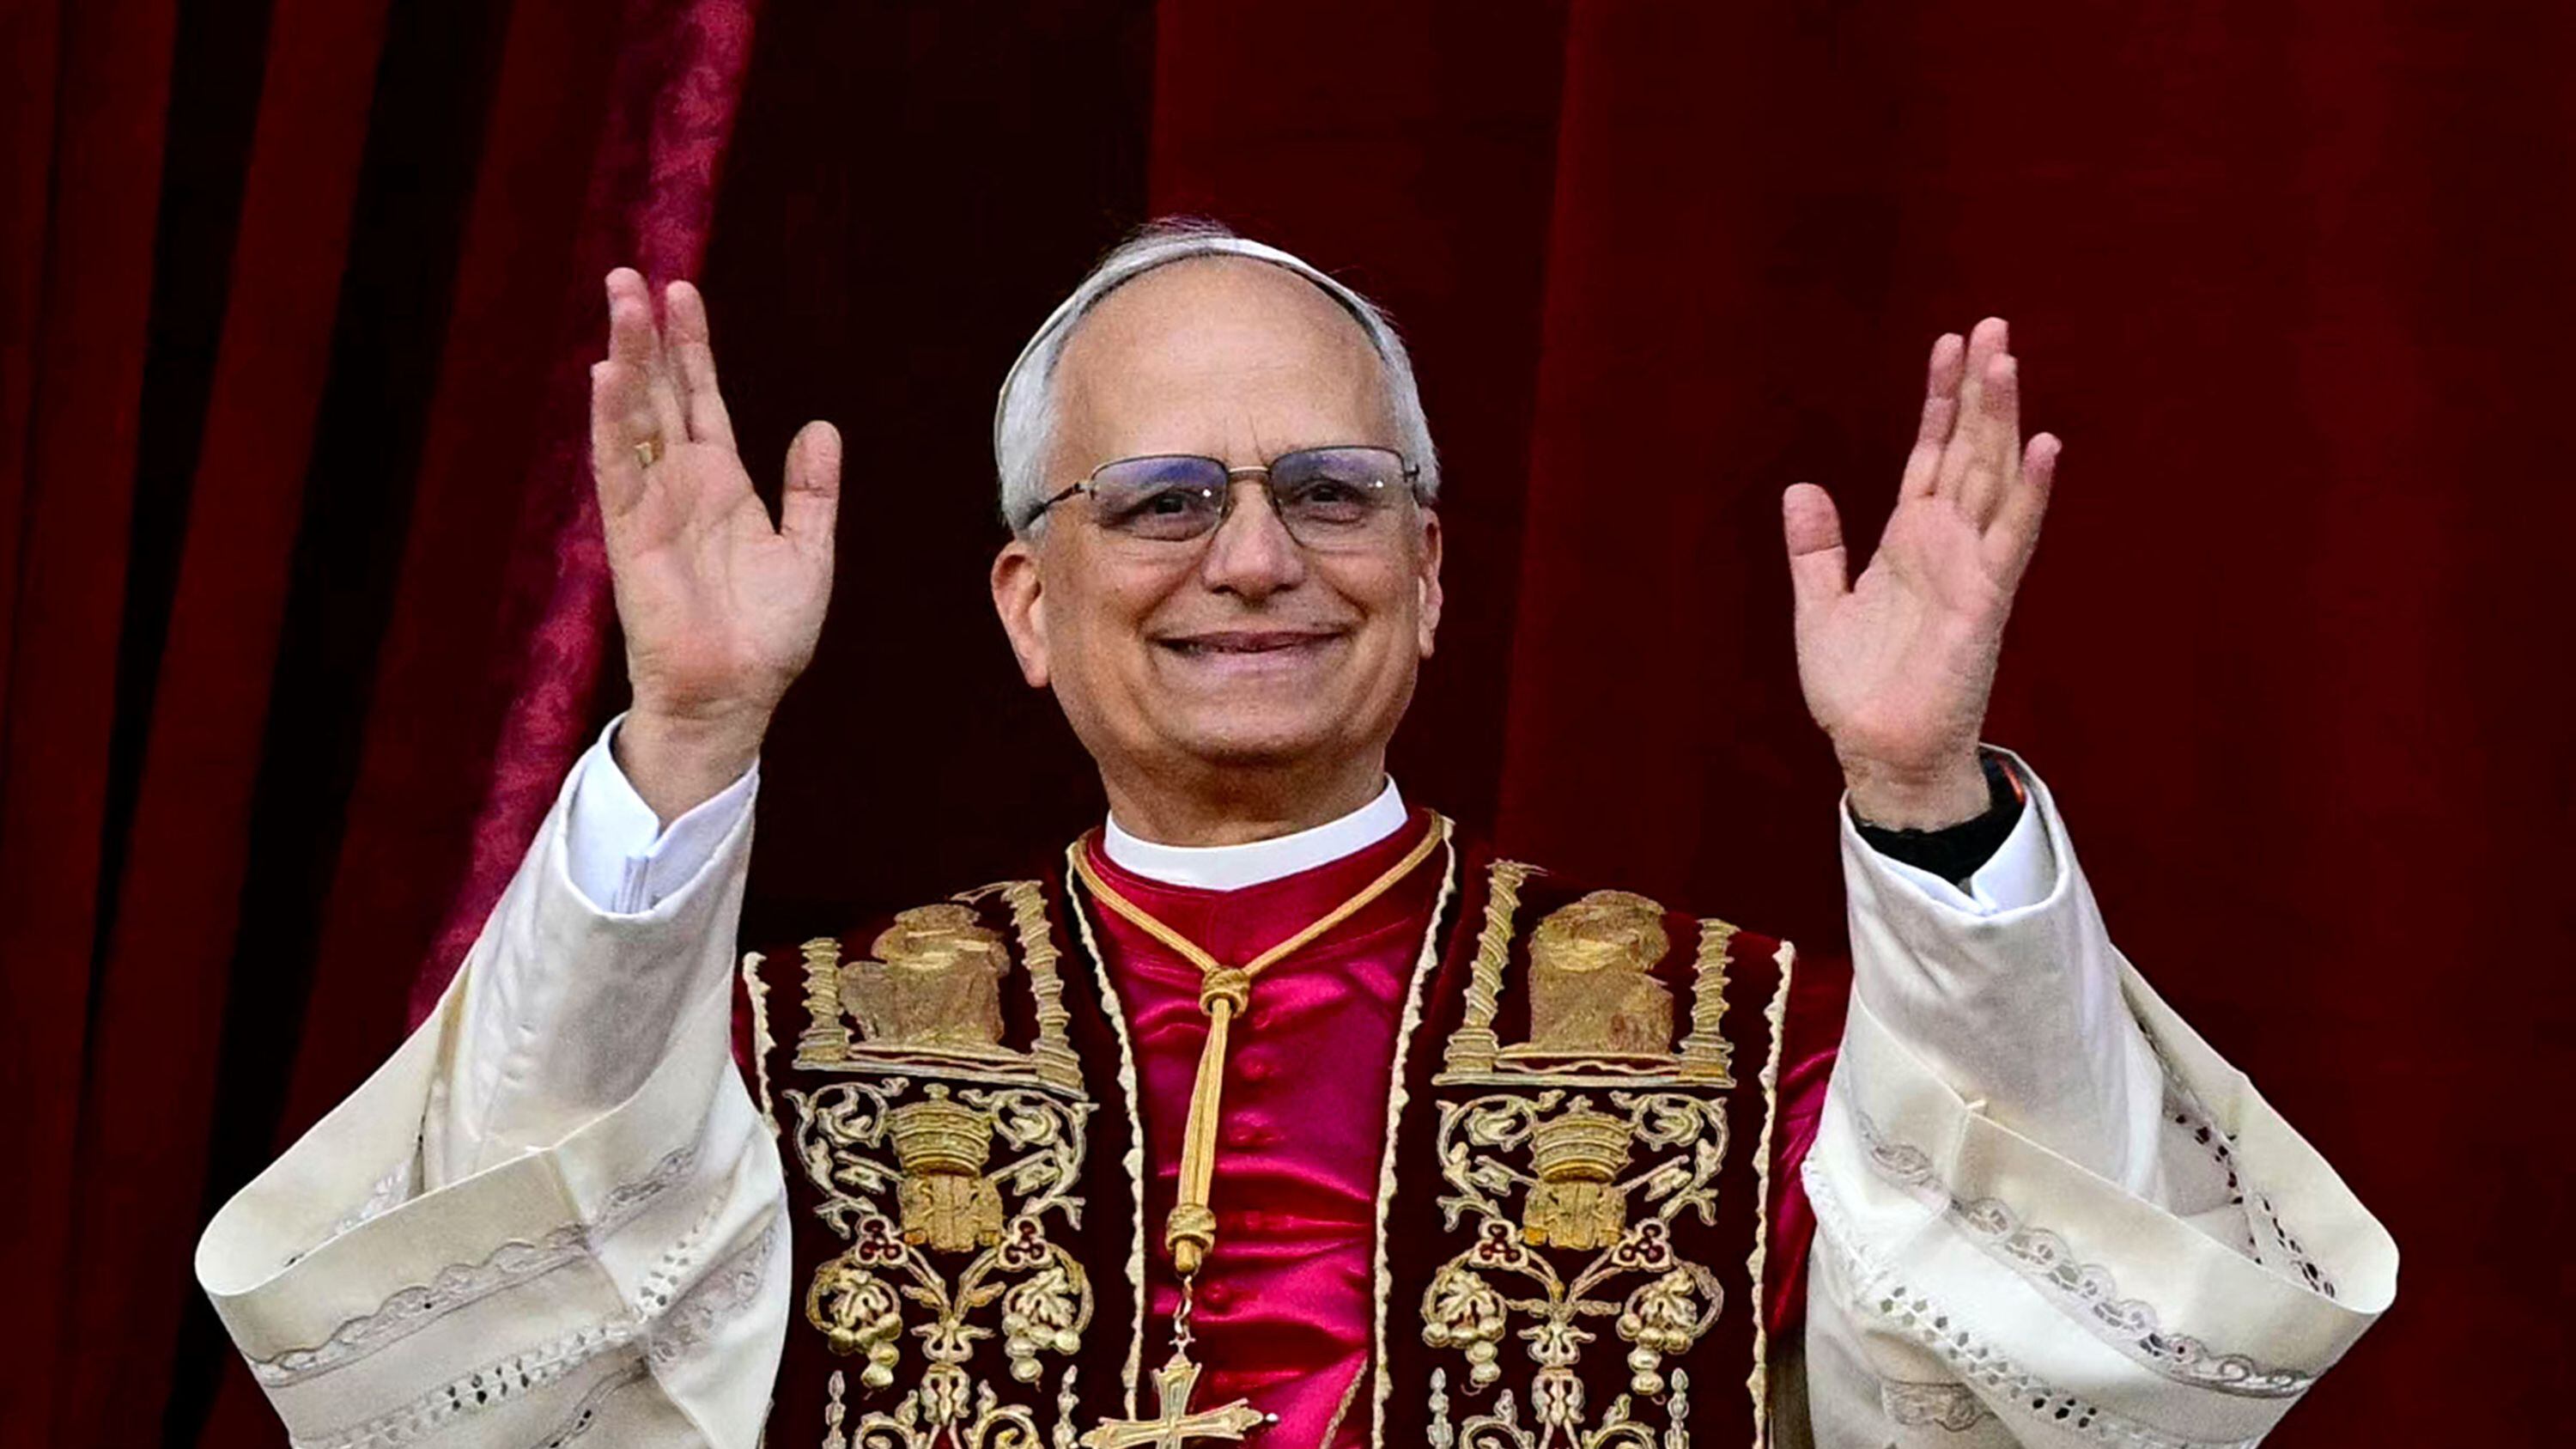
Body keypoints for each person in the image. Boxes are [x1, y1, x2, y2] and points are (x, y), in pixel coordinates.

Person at [195, 222, 2395, 1449]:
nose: (1254, 558)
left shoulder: (1744, 1049)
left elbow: (2090, 1363)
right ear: (1028, 605)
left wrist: (1921, 800)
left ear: (1428, 579)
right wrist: (685, 737)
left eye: (1329, 493)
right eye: (1162, 500)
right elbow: (478, 1366)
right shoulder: (788, 1054)